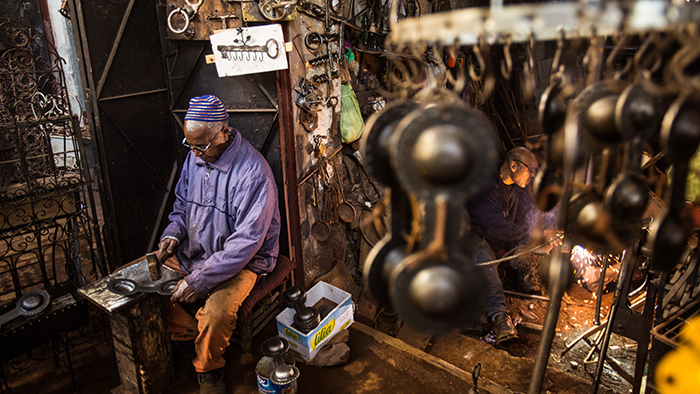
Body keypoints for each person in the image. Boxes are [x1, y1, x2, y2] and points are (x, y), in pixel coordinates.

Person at [157, 95, 280, 394]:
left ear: (224, 133)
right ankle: (190, 333)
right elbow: (182, 204)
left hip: (244, 261)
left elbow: (245, 244)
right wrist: (173, 234)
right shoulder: (195, 158)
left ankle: (208, 369)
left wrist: (198, 280)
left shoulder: (254, 173)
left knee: (217, 314)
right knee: (147, 276)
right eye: (191, 146)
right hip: (197, 251)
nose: (196, 154)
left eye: (202, 146)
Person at [463, 146, 555, 344]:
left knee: (529, 233)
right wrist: (533, 235)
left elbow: (531, 210)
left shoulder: (516, 188)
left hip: (494, 236)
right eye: (530, 170)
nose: (532, 175)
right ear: (514, 165)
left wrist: (546, 227)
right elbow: (497, 227)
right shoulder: (486, 184)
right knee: (483, 252)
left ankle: (525, 275)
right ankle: (500, 317)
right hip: (469, 236)